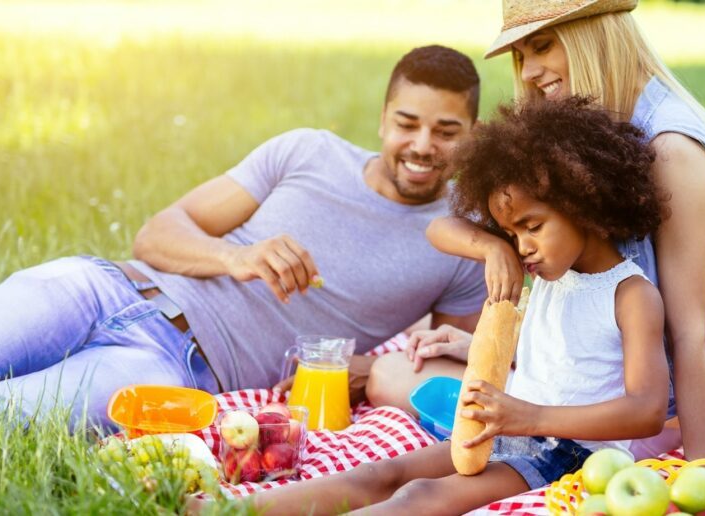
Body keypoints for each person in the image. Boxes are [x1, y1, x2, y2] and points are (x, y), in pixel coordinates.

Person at [0, 45, 486, 451]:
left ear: (473, 134)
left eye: (445, 132)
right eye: (407, 124)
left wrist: (367, 367)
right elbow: (158, 232)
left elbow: (448, 366)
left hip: (173, 366)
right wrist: (235, 257)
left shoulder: (464, 238)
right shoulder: (307, 152)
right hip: (101, 287)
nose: (422, 146)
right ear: (384, 118)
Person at [226, 96, 667, 516]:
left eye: (531, 227)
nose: (523, 247)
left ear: (585, 205)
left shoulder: (630, 295)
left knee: (421, 497)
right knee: (384, 472)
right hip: (509, 429)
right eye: (512, 234)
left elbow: (646, 412)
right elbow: (440, 229)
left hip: (570, 456)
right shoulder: (547, 264)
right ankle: (225, 509)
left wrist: (528, 416)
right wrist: (495, 250)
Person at [369, 0, 705, 460]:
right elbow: (445, 227)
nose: (531, 71)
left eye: (542, 46)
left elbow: (691, 335)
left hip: (649, 403)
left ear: (595, 34)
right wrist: (495, 254)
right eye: (521, 56)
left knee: (420, 398)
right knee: (392, 374)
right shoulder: (579, 131)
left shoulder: (673, 148)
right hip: (577, 374)